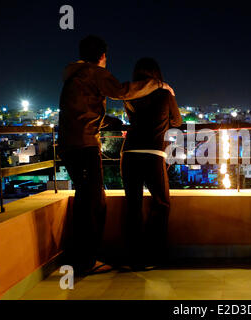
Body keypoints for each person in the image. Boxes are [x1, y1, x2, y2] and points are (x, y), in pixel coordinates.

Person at [58, 35, 175, 275]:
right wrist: (157, 84)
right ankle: (86, 261)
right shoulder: (94, 73)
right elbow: (122, 91)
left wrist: (108, 120)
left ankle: (92, 257)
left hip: (73, 145)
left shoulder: (74, 76)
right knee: (94, 203)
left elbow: (83, 111)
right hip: (85, 145)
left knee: (90, 200)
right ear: (101, 56)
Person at [120, 57, 182, 268]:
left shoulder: (129, 96)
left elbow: (132, 119)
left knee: (133, 206)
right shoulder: (165, 93)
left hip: (129, 153)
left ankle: (133, 257)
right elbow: (177, 121)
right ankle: (153, 255)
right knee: (161, 203)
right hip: (153, 153)